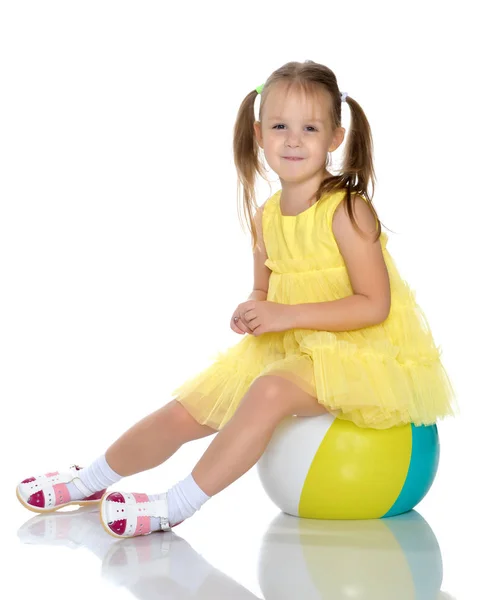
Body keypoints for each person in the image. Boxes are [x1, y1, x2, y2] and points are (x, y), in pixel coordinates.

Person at [16, 60, 458, 539]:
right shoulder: (267, 215)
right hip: (289, 343)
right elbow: (265, 288)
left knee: (267, 392)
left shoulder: (347, 210)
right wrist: (253, 308)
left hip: (358, 350)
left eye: (309, 128)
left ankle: (177, 503)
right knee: (188, 408)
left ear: (334, 138)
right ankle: (90, 480)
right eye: (280, 127)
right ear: (258, 132)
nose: (293, 140)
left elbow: (374, 305)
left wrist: (282, 314)